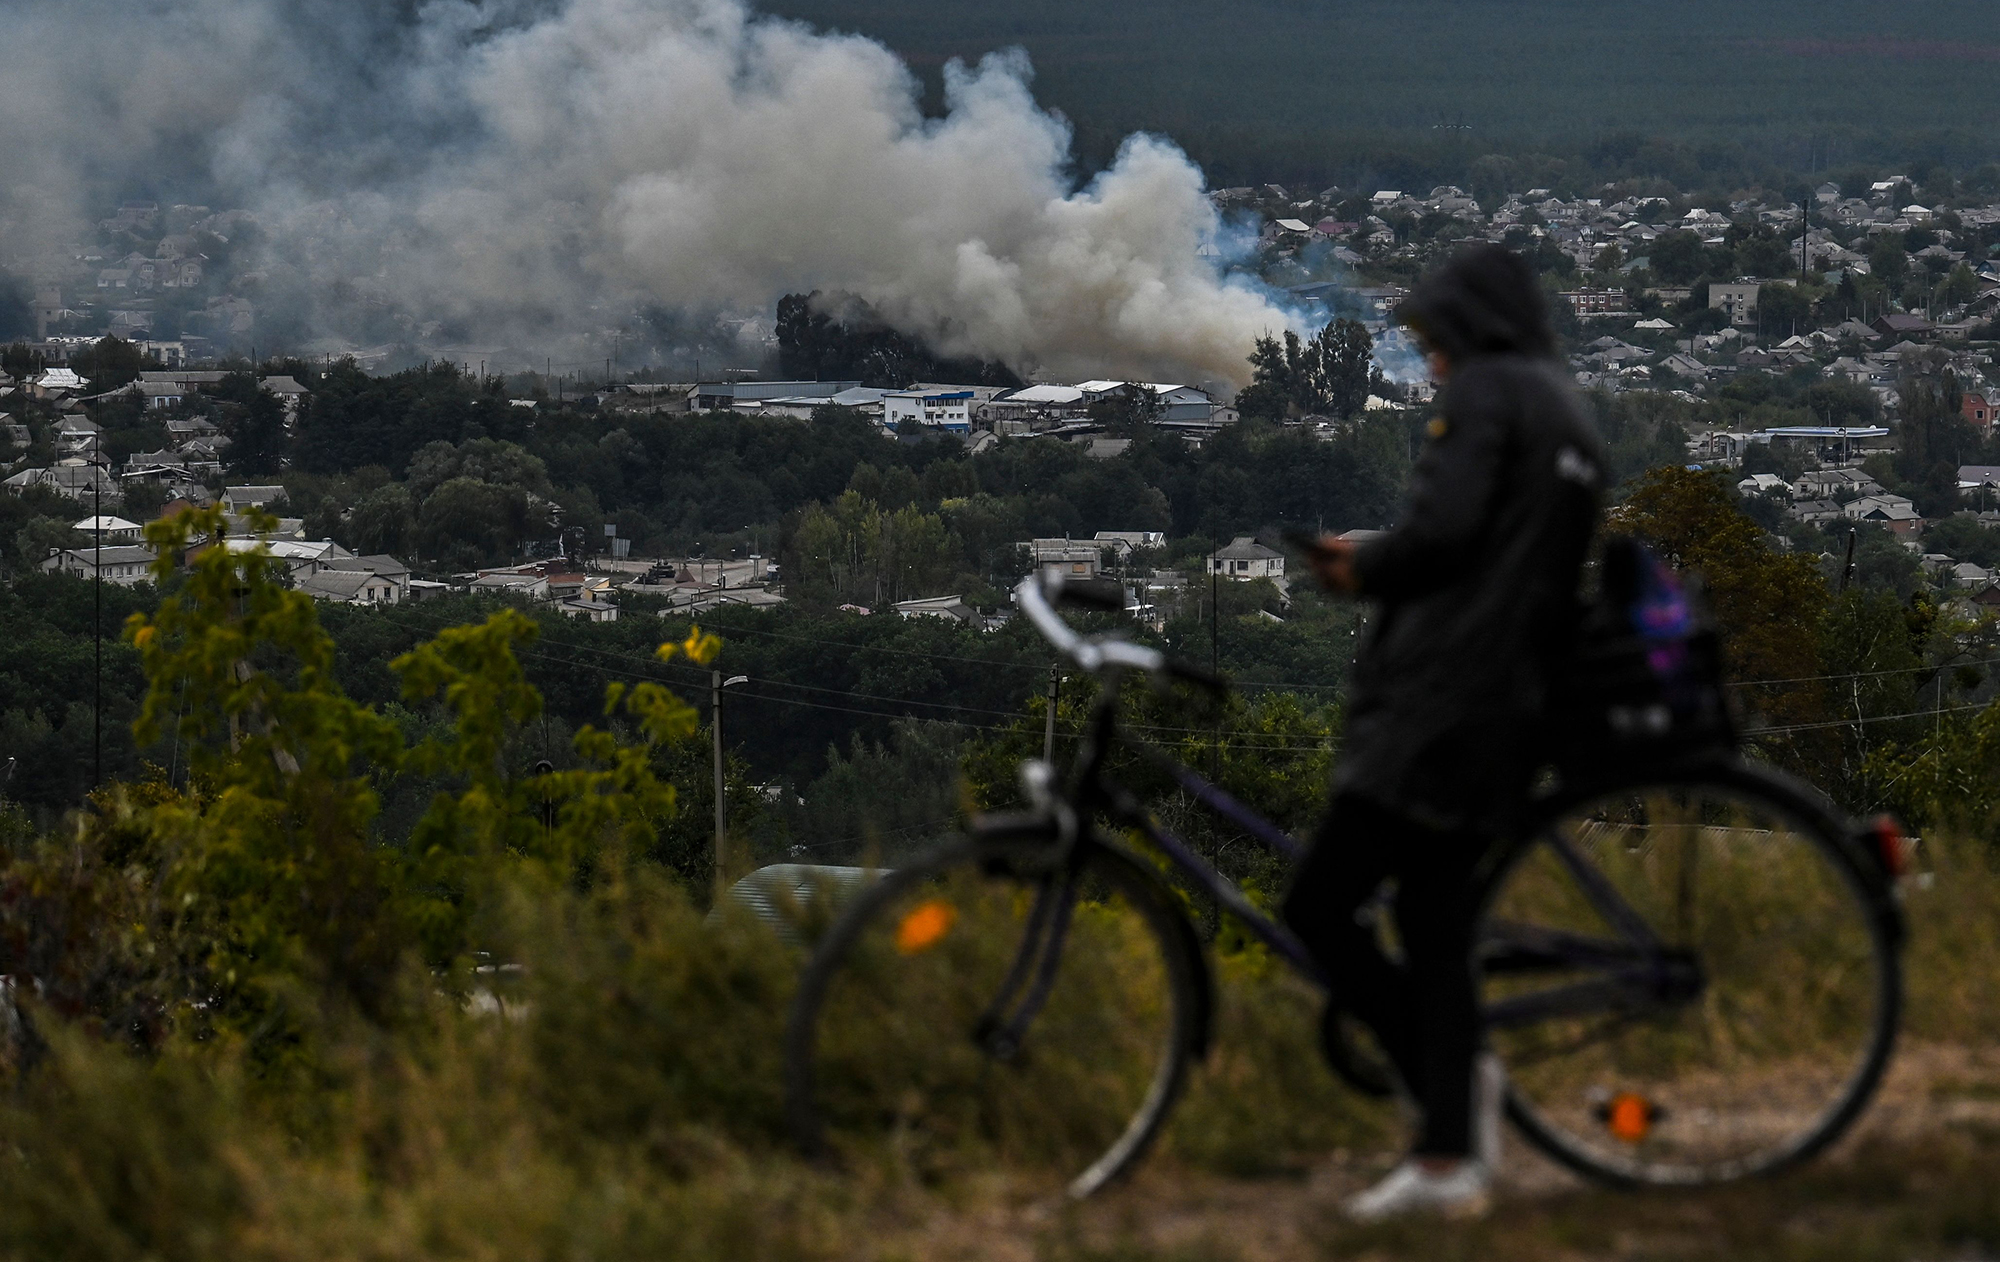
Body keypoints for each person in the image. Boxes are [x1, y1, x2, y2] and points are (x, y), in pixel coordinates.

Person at [1282, 244, 1607, 1221]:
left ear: (1469, 330)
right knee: (1433, 926)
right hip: (1508, 699)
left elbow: (1444, 529)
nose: (1427, 363)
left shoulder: (1483, 398)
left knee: (1319, 906)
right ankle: (1446, 1153)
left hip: (1440, 701)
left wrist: (1361, 566)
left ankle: (1448, 1096)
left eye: (1434, 343)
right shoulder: (1563, 406)